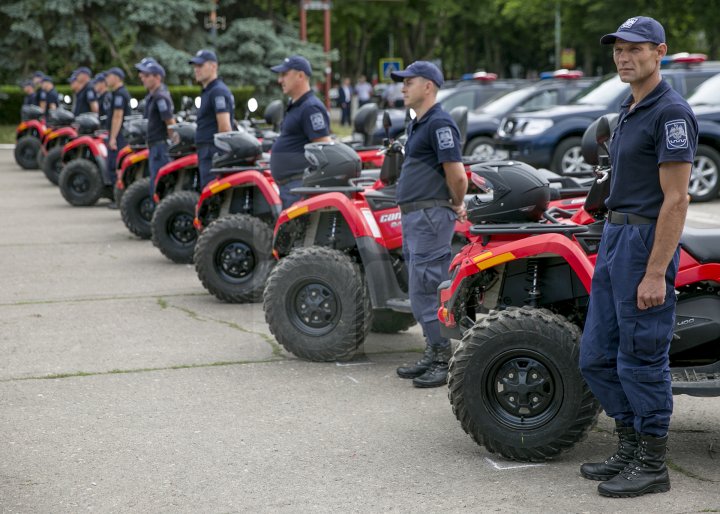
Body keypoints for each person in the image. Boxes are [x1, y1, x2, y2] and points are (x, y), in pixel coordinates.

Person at [578, 16, 697, 498]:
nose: (624, 57)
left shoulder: (671, 113)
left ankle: (652, 464)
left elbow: (677, 199)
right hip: (615, 238)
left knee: (641, 357)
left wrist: (654, 273)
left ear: (660, 51)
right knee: (595, 357)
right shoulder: (630, 107)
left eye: (635, 48)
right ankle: (628, 446)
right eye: (618, 49)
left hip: (645, 245)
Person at [390, 61, 468, 388]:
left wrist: (457, 202)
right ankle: (432, 351)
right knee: (419, 288)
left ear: (429, 87)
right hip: (415, 216)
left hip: (430, 216)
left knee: (428, 285)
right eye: (402, 82)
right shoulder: (418, 124)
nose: (403, 87)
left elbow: (458, 175)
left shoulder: (439, 123)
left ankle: (442, 358)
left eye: (409, 82)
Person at [269, 55, 331, 208]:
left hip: (298, 187)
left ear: (301, 76)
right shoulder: (296, 105)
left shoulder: (310, 108)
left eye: (284, 74)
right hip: (291, 187)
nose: (279, 80)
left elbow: (323, 149)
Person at [188, 49, 234, 189]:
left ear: (214, 66)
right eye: (195, 66)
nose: (196, 69)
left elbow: (225, 127)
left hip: (212, 151)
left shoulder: (217, 91)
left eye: (200, 66)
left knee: (211, 194)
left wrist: (219, 156)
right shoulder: (209, 91)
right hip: (207, 150)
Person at [135, 57, 175, 195]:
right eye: (142, 75)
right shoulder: (153, 96)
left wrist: (174, 144)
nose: (142, 78)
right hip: (155, 146)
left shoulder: (160, 97)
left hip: (160, 147)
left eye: (146, 75)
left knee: (159, 185)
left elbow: (170, 122)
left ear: (157, 77)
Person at [105, 67, 132, 206]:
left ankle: (120, 199)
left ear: (117, 77)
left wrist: (113, 138)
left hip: (120, 135)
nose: (107, 79)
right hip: (119, 134)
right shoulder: (116, 93)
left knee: (116, 166)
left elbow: (117, 116)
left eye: (109, 76)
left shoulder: (120, 94)